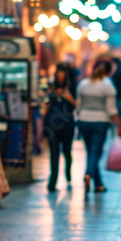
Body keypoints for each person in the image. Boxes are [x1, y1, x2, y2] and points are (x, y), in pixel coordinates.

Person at [76, 60, 121, 194]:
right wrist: (119, 125)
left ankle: (98, 184)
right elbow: (111, 109)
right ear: (109, 72)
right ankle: (88, 173)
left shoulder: (83, 84)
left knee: (91, 151)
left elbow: (78, 106)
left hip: (84, 120)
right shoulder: (108, 86)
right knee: (96, 151)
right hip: (101, 122)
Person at [42, 63, 76, 192]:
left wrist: (69, 98)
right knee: (54, 152)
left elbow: (77, 105)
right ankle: (53, 181)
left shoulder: (71, 87)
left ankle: (68, 174)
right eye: (59, 75)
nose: (60, 77)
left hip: (67, 124)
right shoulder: (51, 88)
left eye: (63, 75)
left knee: (67, 151)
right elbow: (46, 105)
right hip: (52, 124)